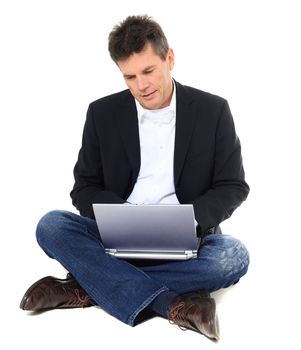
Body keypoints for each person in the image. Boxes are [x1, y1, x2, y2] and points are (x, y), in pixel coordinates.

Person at [20, 15, 250, 341]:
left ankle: (87, 285)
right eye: (129, 76)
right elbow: (85, 187)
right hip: (119, 232)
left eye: (148, 71)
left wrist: (191, 221)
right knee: (50, 225)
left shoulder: (213, 110)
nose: (141, 85)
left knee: (233, 256)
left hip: (188, 234)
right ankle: (172, 303)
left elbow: (233, 185)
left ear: (169, 58)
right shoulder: (102, 113)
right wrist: (123, 218)